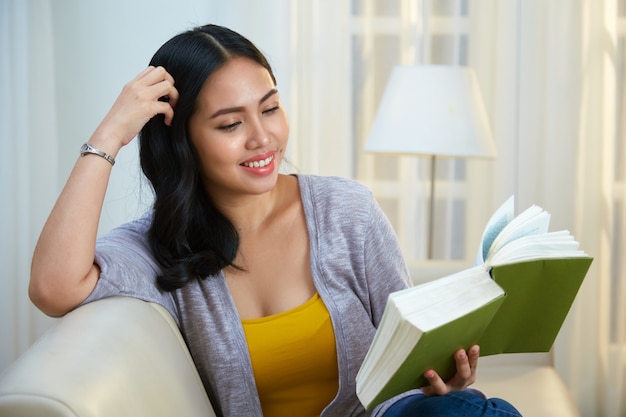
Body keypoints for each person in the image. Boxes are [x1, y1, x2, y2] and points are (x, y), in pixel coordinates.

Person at [29, 24, 522, 417]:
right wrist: (110, 133)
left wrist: (436, 385)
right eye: (230, 124)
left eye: (270, 109)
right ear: (182, 138)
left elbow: (407, 353)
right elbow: (53, 288)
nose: (263, 138)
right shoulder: (158, 245)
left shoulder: (346, 211)